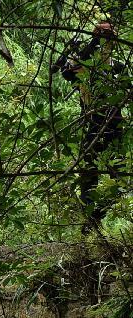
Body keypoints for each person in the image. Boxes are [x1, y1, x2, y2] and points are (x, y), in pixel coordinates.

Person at [55, 21, 127, 230]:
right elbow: (64, 71)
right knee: (88, 174)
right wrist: (88, 42)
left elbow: (127, 87)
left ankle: (96, 215)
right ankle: (91, 217)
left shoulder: (116, 66)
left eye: (109, 38)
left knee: (121, 180)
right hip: (94, 126)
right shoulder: (82, 65)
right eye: (103, 37)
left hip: (113, 126)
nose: (107, 42)